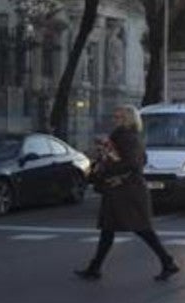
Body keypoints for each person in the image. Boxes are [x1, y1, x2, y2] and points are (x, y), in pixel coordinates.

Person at [75, 105, 179, 282]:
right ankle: (95, 267)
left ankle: (167, 261)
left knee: (142, 229)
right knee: (110, 230)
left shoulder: (127, 138)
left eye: (119, 117)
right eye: (115, 116)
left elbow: (134, 163)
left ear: (128, 119)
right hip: (121, 189)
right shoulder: (125, 137)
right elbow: (140, 159)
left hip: (127, 191)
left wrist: (109, 167)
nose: (115, 119)